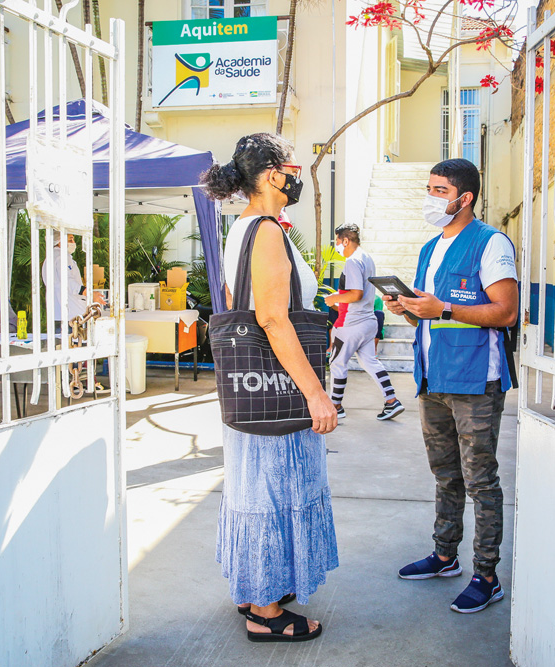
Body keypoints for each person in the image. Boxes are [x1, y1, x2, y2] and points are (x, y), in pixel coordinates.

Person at [201, 132, 338, 643]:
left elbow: (243, 301)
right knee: (275, 490)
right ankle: (265, 613)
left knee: (255, 489)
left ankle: (255, 586)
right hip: (278, 387)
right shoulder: (267, 231)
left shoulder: (243, 228)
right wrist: (316, 393)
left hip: (251, 386)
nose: (299, 179)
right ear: (274, 174)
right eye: (294, 169)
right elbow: (274, 319)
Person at [384, 158, 518, 614]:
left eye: (439, 190)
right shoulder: (429, 248)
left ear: (465, 198)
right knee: (445, 475)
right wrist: (406, 307)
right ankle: (444, 556)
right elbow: (430, 308)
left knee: (481, 479)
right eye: (429, 188)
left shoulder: (491, 244)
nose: (430, 197)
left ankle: (486, 574)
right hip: (432, 377)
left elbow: (504, 312)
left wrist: (441, 309)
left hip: (476, 381)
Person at [323, 224, 403, 420]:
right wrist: (339, 295)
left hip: (351, 324)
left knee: (337, 363)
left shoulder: (352, 261)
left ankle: (336, 406)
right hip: (368, 321)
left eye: (337, 242)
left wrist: (334, 299)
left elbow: (355, 294)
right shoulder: (366, 258)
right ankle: (392, 400)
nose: (337, 246)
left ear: (345, 240)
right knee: (370, 362)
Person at [41, 231, 101, 330]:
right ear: (60, 241)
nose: (73, 242)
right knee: (71, 343)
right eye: (70, 239)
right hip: (70, 314)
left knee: (59, 343)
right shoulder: (62, 257)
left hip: (58, 313)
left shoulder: (51, 258)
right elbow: (68, 282)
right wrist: (89, 294)